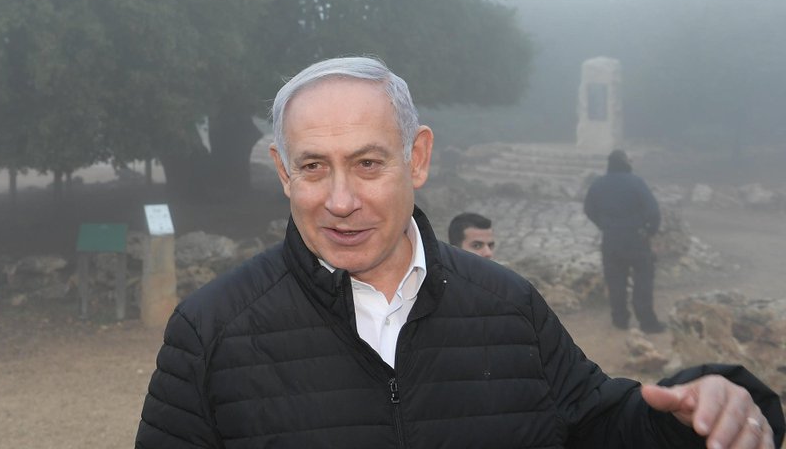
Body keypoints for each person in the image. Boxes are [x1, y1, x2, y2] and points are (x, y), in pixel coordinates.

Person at [135, 57, 784, 448]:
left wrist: (702, 409)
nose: (340, 200)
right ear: (283, 171)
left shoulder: (508, 307)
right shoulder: (209, 334)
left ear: (417, 158)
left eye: (367, 163)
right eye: (313, 167)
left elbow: (597, 427)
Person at [585, 149, 665, 333]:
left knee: (615, 281)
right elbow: (653, 211)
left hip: (611, 239)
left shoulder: (598, 184)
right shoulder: (636, 182)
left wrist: (604, 225)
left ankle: (620, 320)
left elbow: (589, 209)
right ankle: (647, 322)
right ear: (626, 163)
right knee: (643, 279)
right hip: (636, 238)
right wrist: (650, 231)